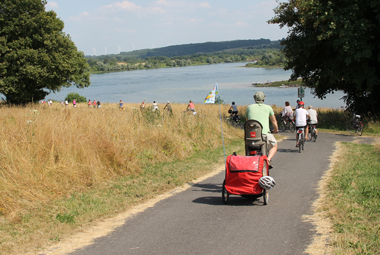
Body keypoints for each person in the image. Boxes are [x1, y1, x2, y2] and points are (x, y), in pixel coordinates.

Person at [245, 91, 278, 168]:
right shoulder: (268, 107)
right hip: (264, 135)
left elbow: (247, 121)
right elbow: (273, 120)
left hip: (250, 136)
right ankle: (268, 159)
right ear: (264, 98)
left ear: (254, 98)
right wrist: (276, 129)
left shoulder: (249, 107)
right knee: (274, 145)